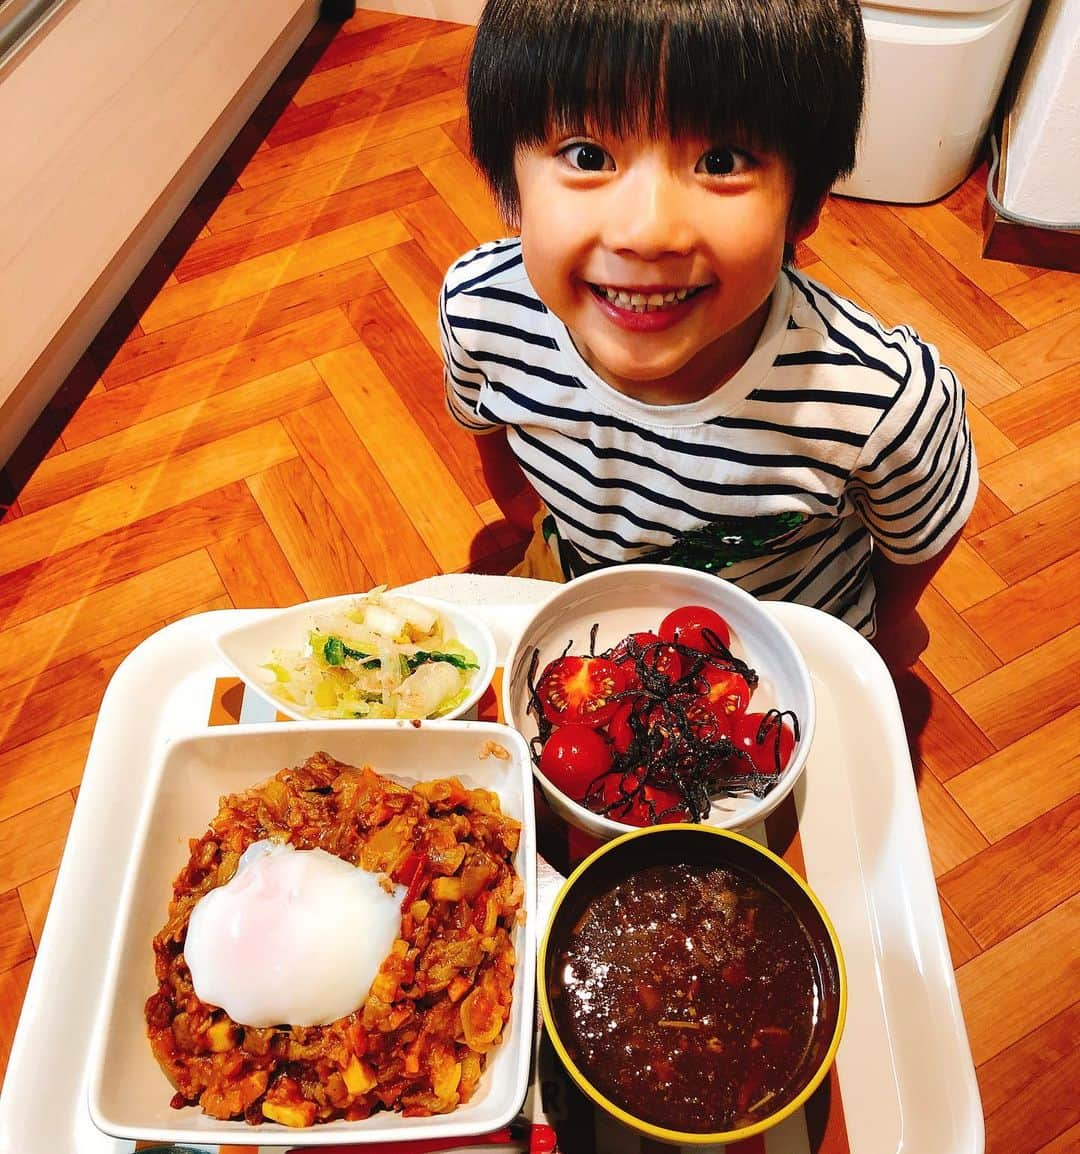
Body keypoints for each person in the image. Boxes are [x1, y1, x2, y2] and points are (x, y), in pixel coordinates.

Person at [439, 0, 977, 656]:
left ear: (803, 202)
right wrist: (533, 521)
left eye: (720, 161)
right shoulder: (483, 312)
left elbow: (922, 533)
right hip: (581, 598)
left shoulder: (880, 399)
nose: (646, 232)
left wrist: (883, 628)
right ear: (509, 188)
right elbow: (489, 434)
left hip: (781, 641)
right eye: (587, 153)